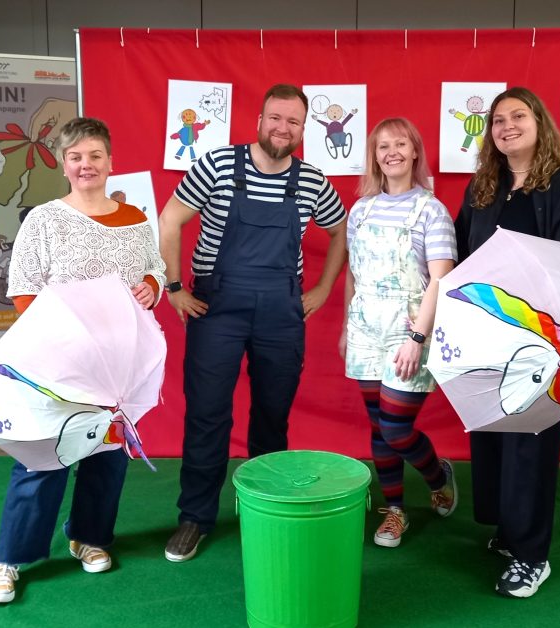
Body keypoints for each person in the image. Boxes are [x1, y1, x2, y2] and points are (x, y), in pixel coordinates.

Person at [159, 83, 347, 562]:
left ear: (304, 129)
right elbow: (169, 220)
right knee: (207, 415)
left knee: (271, 416)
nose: (282, 129)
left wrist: (324, 288)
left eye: (293, 122)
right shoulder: (218, 165)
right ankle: (195, 517)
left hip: (281, 313)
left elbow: (344, 227)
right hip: (217, 307)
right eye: (274, 118)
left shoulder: (310, 180)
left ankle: (263, 511)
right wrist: (175, 287)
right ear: (259, 121)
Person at [0, 117, 166, 604]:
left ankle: (90, 537)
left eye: (95, 155)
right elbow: (22, 290)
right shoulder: (45, 219)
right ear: (64, 165)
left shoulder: (136, 221)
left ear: (111, 161)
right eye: (76, 157)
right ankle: (9, 560)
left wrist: (151, 286)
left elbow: (154, 271)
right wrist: (66, 339)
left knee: (107, 457)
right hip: (56, 365)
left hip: (117, 366)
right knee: (43, 459)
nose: (87, 165)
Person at [454, 87, 560, 598]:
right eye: (497, 120)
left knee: (530, 443)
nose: (507, 125)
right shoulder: (483, 188)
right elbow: (461, 254)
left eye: (518, 116)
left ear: (540, 123)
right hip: (484, 335)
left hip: (537, 338)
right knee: (492, 437)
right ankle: (510, 531)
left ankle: (534, 555)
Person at [338, 117, 458, 549]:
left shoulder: (432, 210)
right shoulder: (361, 210)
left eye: (400, 144)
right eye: (382, 145)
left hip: (409, 330)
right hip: (366, 329)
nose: (391, 152)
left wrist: (418, 339)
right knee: (377, 426)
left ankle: (437, 475)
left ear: (414, 152)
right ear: (375, 156)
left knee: (395, 427)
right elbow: (354, 273)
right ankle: (395, 510)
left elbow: (442, 280)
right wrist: (347, 328)